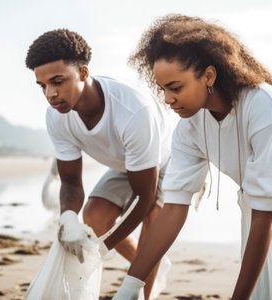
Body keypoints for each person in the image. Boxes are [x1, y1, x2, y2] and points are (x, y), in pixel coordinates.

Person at [113, 14, 272, 300]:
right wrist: (130, 287)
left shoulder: (262, 104)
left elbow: (263, 215)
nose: (167, 99)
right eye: (163, 89)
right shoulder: (188, 128)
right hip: (266, 202)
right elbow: (173, 208)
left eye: (176, 87)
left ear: (208, 76)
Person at [25, 29, 175, 299]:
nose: (50, 93)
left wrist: (100, 250)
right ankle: (152, 261)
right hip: (125, 165)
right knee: (93, 217)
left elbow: (144, 196)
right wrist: (68, 218)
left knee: (151, 222)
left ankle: (146, 290)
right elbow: (70, 182)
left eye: (58, 81)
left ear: (83, 73)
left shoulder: (133, 110)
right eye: (42, 85)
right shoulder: (57, 116)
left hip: (165, 161)